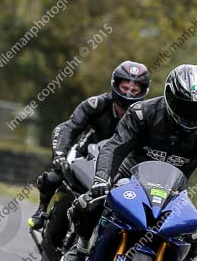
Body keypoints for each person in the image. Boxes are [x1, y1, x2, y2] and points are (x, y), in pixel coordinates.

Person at [62, 64, 197, 261]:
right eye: (185, 106)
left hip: (173, 190)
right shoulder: (142, 112)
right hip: (129, 177)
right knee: (88, 203)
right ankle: (82, 246)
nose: (190, 114)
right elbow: (114, 147)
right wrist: (101, 179)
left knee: (193, 237)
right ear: (170, 97)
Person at [28, 61, 151, 230]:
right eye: (125, 87)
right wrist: (59, 155)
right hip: (84, 155)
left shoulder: (145, 117)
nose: (129, 92)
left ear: (142, 91)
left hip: (119, 165)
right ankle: (41, 210)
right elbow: (67, 128)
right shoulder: (96, 104)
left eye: (134, 89)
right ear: (116, 85)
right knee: (53, 176)